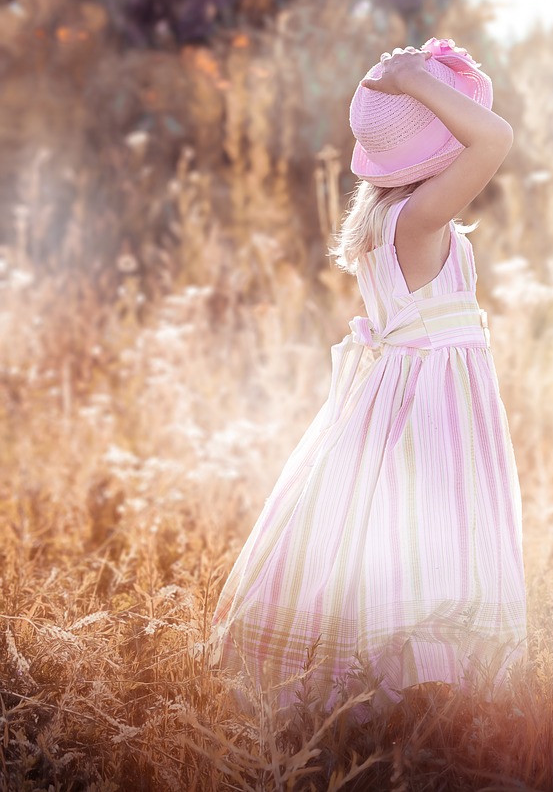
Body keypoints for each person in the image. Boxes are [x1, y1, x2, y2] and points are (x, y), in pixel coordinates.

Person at [207, 38, 527, 723]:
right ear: (439, 143)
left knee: (383, 527)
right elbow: (496, 138)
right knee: (435, 530)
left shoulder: (384, 219)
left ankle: (398, 692)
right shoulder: (420, 219)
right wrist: (416, 78)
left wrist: (415, 83)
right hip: (436, 400)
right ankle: (423, 694)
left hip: (398, 393)